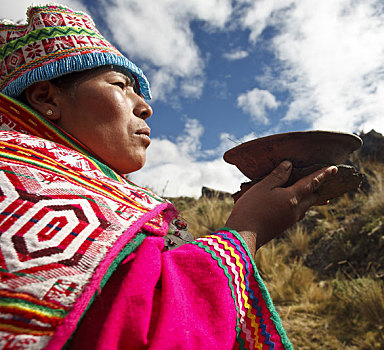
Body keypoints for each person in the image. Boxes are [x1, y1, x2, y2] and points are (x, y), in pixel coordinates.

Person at [0, 5, 337, 349]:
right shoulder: (14, 188)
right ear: (45, 97)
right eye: (120, 85)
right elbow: (145, 333)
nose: (145, 107)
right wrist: (246, 233)